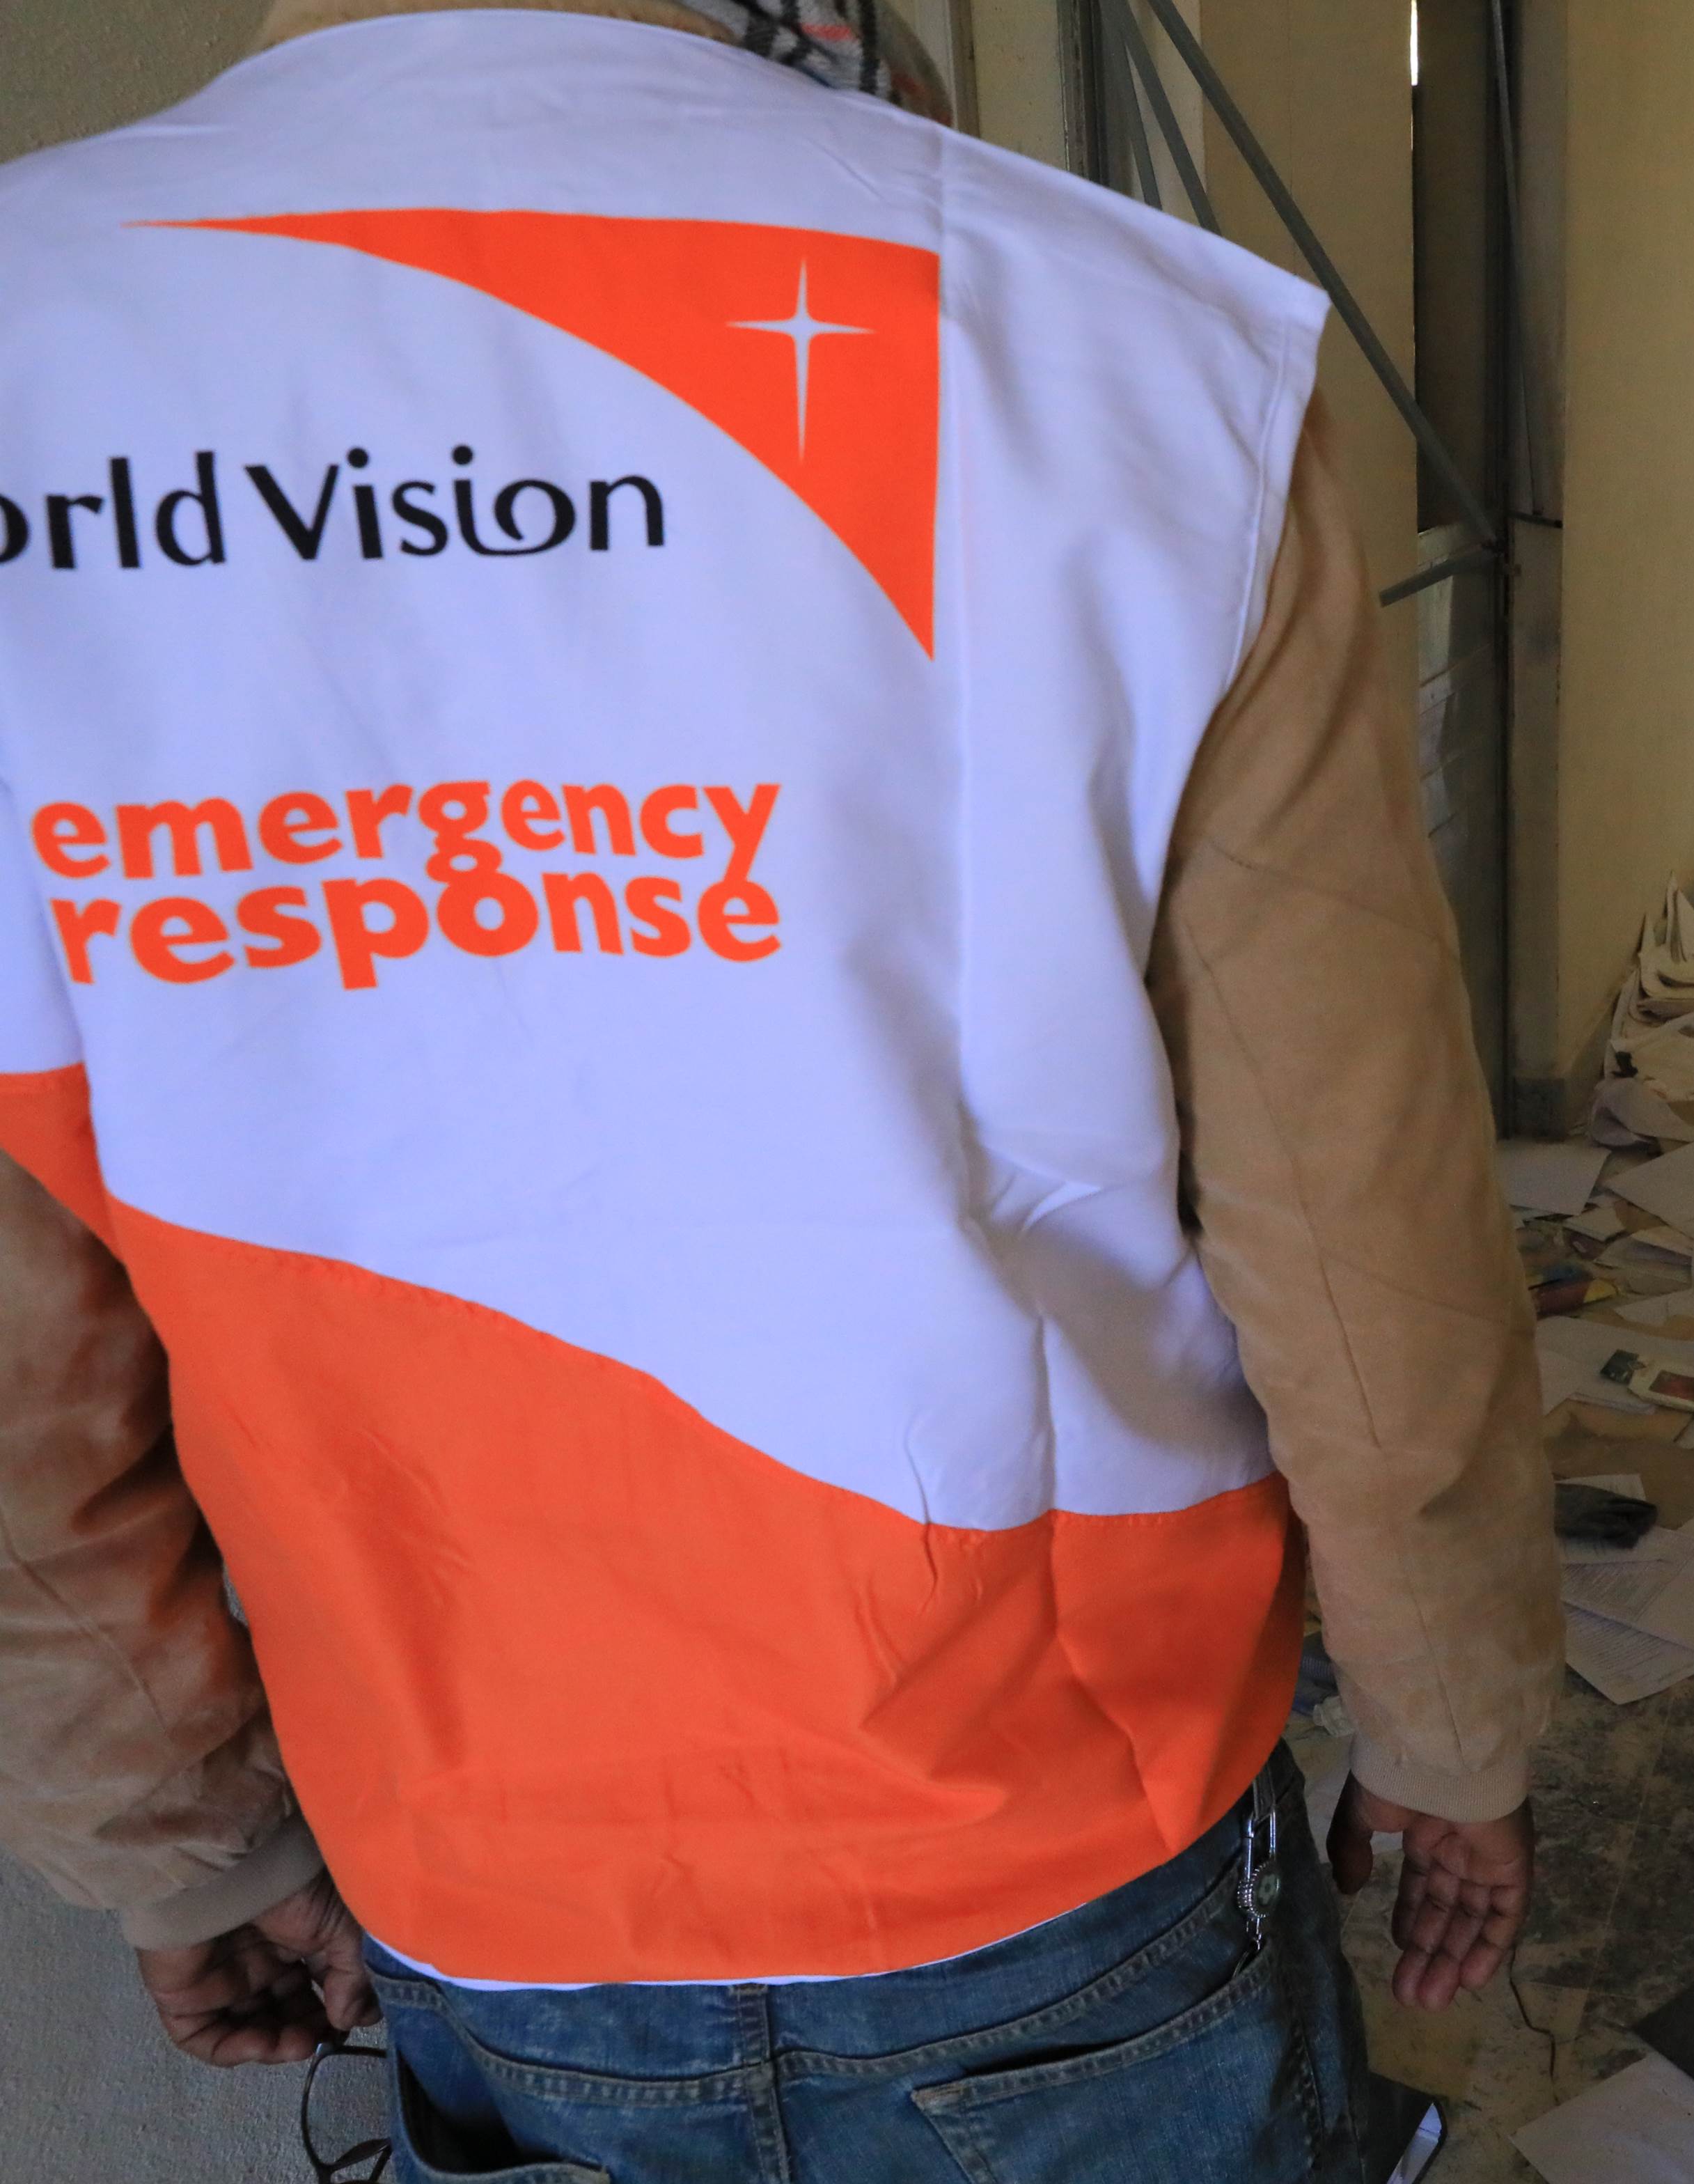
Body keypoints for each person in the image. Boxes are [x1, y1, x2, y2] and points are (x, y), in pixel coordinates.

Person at [0, 1, 1560, 2176]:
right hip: (1054, 1843)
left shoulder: (32, 339)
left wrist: (169, 1838)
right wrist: (1451, 1712)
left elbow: (18, 1364)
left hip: (469, 1867)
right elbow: (1351, 1204)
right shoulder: (1119, 350)